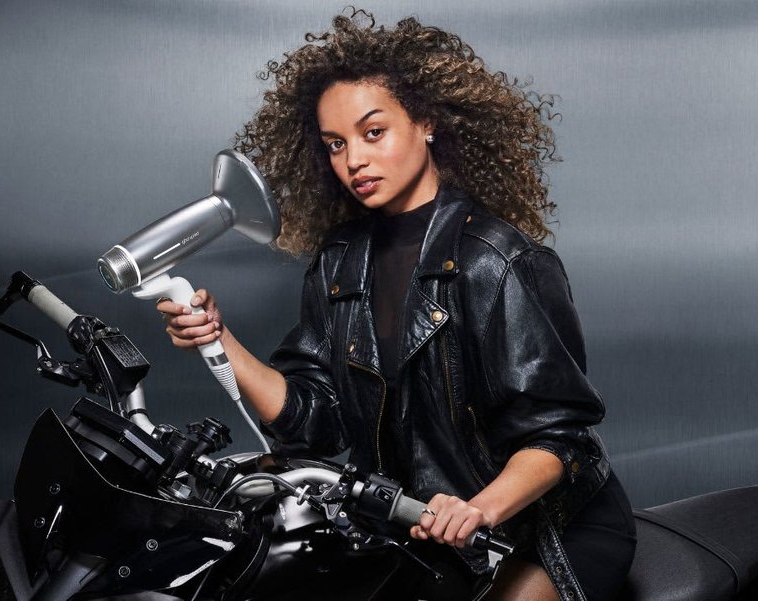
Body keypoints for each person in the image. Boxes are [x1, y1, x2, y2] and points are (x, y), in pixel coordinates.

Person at [157, 10, 635, 601]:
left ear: (426, 122)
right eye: (336, 144)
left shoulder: (499, 260)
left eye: (372, 132)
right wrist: (218, 339)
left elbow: (557, 439)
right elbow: (313, 420)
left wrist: (476, 510)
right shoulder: (339, 263)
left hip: (546, 528)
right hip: (417, 526)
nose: (353, 159)